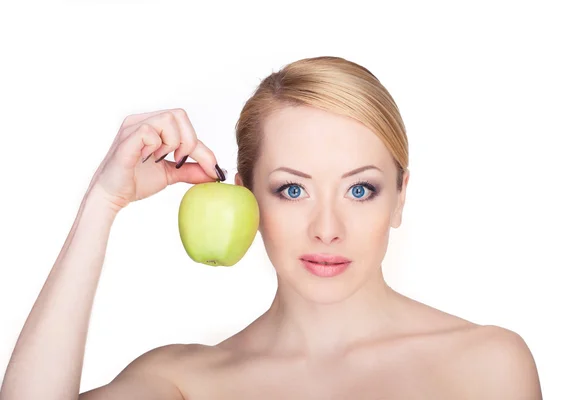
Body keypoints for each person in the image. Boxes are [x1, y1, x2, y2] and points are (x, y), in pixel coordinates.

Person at [0, 56, 542, 399]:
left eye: (360, 190)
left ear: (399, 198)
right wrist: (103, 199)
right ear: (247, 195)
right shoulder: (184, 381)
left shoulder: (489, 365)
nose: (326, 229)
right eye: (292, 189)